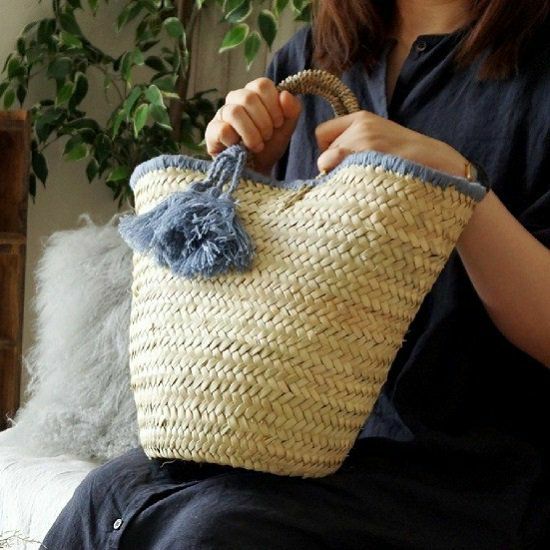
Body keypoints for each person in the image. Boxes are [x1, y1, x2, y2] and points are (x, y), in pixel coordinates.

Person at [43, 0, 550, 548]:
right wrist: (251, 171)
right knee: (104, 497)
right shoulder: (313, 56)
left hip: (466, 470)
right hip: (281, 438)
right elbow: (257, 284)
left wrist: (457, 181)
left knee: (209, 531)